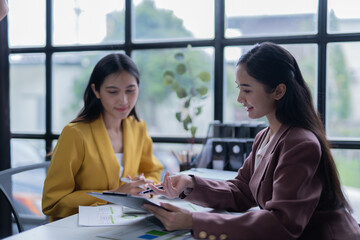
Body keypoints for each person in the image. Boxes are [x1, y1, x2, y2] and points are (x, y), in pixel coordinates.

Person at [143, 42, 360, 240]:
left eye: (247, 90)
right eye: (239, 88)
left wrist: (194, 221)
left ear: (278, 91)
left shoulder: (301, 143)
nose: (240, 99)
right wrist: (190, 184)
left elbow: (280, 224)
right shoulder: (264, 137)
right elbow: (242, 191)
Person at [42, 53, 163, 222]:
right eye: (113, 92)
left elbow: (152, 171)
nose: (124, 100)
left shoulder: (137, 127)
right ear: (96, 91)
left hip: (124, 223)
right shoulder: (75, 134)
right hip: (77, 230)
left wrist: (143, 185)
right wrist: (114, 195)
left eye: (130, 90)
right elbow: (53, 202)